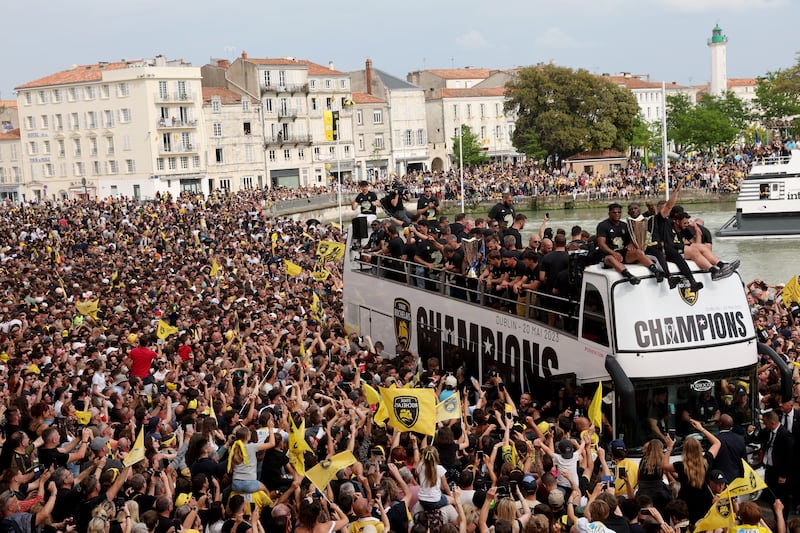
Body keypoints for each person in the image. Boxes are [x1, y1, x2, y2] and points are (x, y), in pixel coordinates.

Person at [662, 419, 721, 524]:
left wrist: (669, 447)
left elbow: (664, 466)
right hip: (705, 502)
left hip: (686, 505)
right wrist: (701, 429)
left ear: (685, 451)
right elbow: (717, 443)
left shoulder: (681, 466)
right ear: (699, 448)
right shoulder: (707, 460)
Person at [596, 203, 663, 285]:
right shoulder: (603, 226)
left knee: (639, 252)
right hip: (609, 255)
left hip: (623, 254)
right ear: (609, 213)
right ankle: (629, 276)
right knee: (610, 258)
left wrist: (631, 243)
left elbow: (632, 238)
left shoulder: (624, 225)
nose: (617, 214)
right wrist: (613, 253)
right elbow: (601, 244)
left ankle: (655, 271)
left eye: (619, 212)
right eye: (614, 212)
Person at [713, 414, 746, 483]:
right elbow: (744, 462)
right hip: (736, 479)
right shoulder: (740, 439)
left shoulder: (714, 440)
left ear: (720, 423)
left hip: (719, 480)